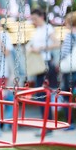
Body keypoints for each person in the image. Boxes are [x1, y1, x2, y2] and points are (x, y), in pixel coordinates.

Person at [27, 8, 60, 136]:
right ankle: (47, 124)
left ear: (41, 17)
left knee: (43, 96)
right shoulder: (37, 31)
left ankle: (47, 125)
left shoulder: (48, 28)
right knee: (41, 96)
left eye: (35, 19)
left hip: (45, 64)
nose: (34, 21)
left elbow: (57, 43)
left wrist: (41, 48)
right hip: (38, 65)